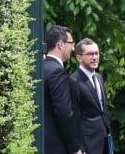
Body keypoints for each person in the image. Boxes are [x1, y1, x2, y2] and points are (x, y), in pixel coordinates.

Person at [44, 25, 82, 154]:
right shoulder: (57, 72)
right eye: (71, 44)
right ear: (61, 44)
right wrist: (75, 148)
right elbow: (64, 112)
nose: (72, 48)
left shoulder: (40, 68)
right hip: (56, 146)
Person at [70, 38, 112, 154]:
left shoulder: (98, 77)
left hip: (105, 141)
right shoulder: (73, 81)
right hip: (87, 145)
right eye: (90, 54)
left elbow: (102, 110)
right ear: (79, 58)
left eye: (96, 53)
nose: (95, 57)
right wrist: (78, 147)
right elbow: (73, 118)